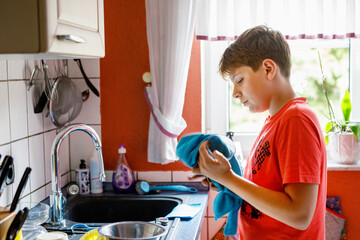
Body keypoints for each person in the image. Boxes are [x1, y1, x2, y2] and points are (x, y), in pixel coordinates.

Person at [192, 25, 327, 239]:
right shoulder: (273, 123)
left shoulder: (296, 119)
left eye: (239, 80)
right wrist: (222, 178)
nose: (235, 93)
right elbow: (263, 196)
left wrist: (229, 179)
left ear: (268, 69)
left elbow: (300, 215)